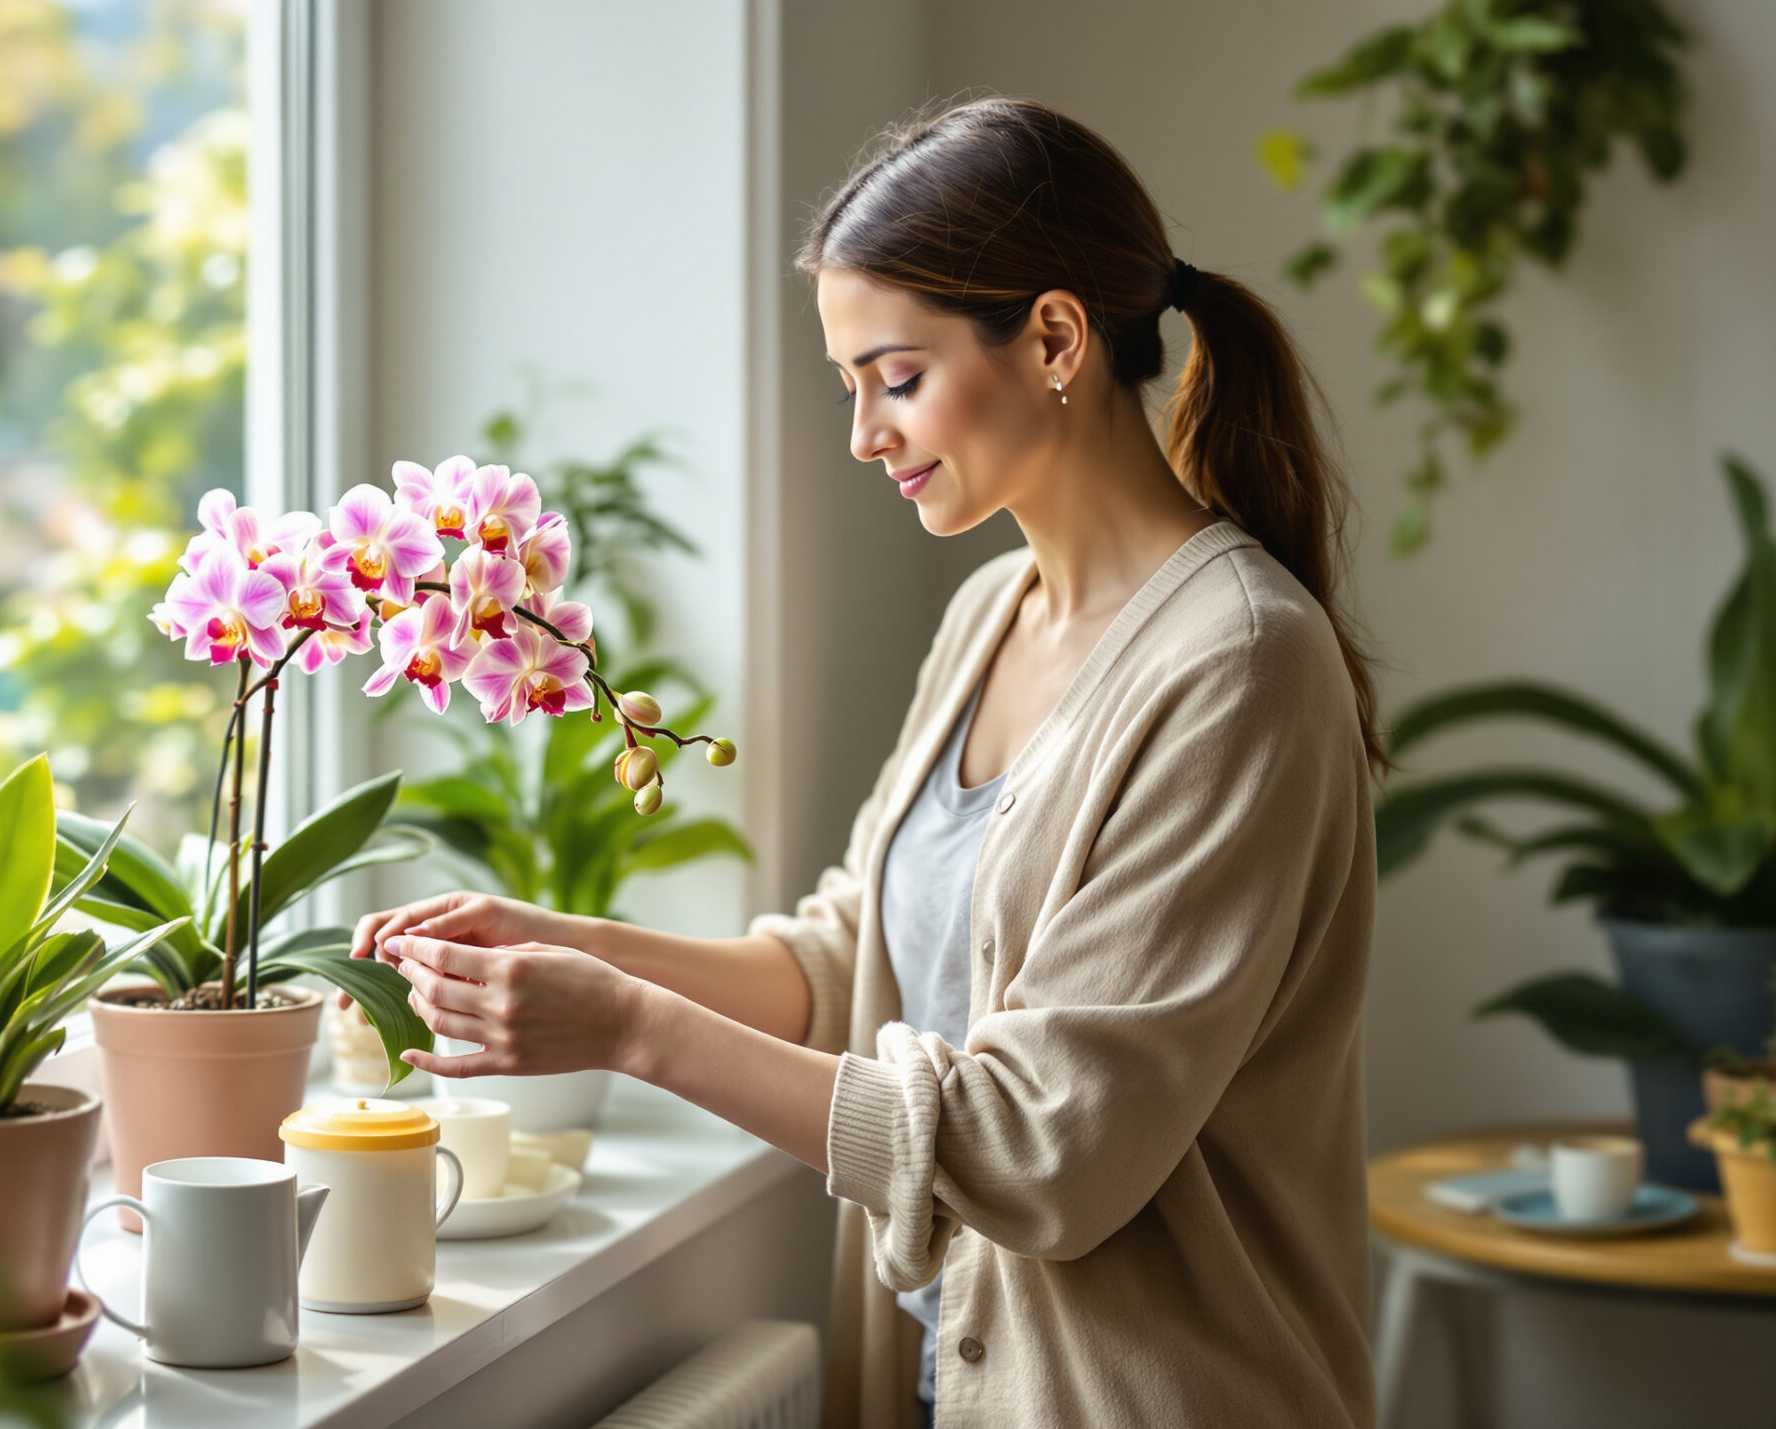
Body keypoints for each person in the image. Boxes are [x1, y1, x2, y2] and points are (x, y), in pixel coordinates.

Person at [353, 97, 1381, 1429]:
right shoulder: (989, 615)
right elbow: (854, 963)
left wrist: (627, 1029)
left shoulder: (1240, 663)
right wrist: (576, 947)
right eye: (852, 387)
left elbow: (1040, 1150)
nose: (865, 436)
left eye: (895, 378)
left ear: (1055, 339)